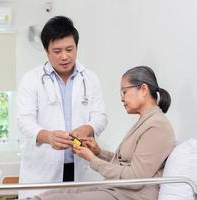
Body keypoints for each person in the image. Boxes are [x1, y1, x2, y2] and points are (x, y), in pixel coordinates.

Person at [30, 66, 175, 200]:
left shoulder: (156, 126)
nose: (122, 98)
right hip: (117, 189)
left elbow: (135, 178)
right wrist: (98, 152)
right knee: (55, 193)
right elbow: (125, 163)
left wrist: (93, 159)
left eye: (124, 92)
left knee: (57, 198)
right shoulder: (146, 122)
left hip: (131, 195)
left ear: (143, 89)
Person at [17, 16, 107, 198]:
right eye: (57, 51)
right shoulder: (31, 79)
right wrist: (48, 137)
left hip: (81, 166)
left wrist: (88, 128)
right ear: (46, 51)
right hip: (43, 170)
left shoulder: (90, 78)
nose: (64, 56)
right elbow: (23, 121)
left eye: (69, 49)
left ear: (76, 47)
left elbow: (100, 117)